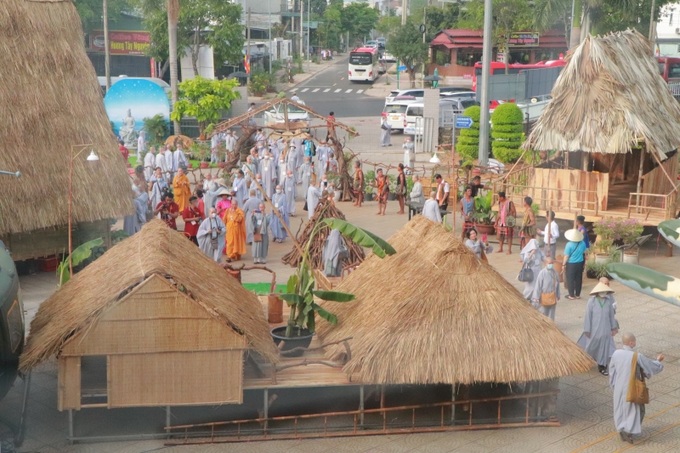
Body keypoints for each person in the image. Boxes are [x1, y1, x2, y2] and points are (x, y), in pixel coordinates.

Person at [609, 333, 664, 443]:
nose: (635, 343)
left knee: (621, 409)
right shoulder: (636, 356)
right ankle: (628, 432)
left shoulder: (616, 354)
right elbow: (649, 366)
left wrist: (613, 385)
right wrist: (658, 361)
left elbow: (612, 372)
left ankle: (621, 428)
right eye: (634, 341)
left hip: (619, 387)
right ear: (631, 342)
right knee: (636, 410)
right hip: (632, 387)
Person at [578, 282, 618, 376]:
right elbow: (588, 316)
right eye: (601, 291)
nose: (603, 293)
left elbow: (611, 316)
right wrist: (587, 329)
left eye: (604, 291)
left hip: (606, 328)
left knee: (604, 348)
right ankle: (585, 360)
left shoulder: (608, 301)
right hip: (594, 328)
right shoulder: (591, 302)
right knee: (591, 345)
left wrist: (613, 327)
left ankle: (602, 366)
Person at [562, 228, 587, 299]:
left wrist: (563, 264)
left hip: (571, 264)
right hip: (580, 263)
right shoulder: (582, 243)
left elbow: (566, 256)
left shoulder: (569, 244)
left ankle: (571, 295)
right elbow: (585, 253)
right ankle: (578, 294)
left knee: (570, 279)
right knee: (579, 279)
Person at [519, 237, 545, 301]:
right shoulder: (527, 252)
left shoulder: (539, 251)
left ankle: (536, 297)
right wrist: (531, 253)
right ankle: (526, 297)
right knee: (530, 286)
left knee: (538, 284)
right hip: (531, 271)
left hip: (538, 270)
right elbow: (526, 260)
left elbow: (543, 257)